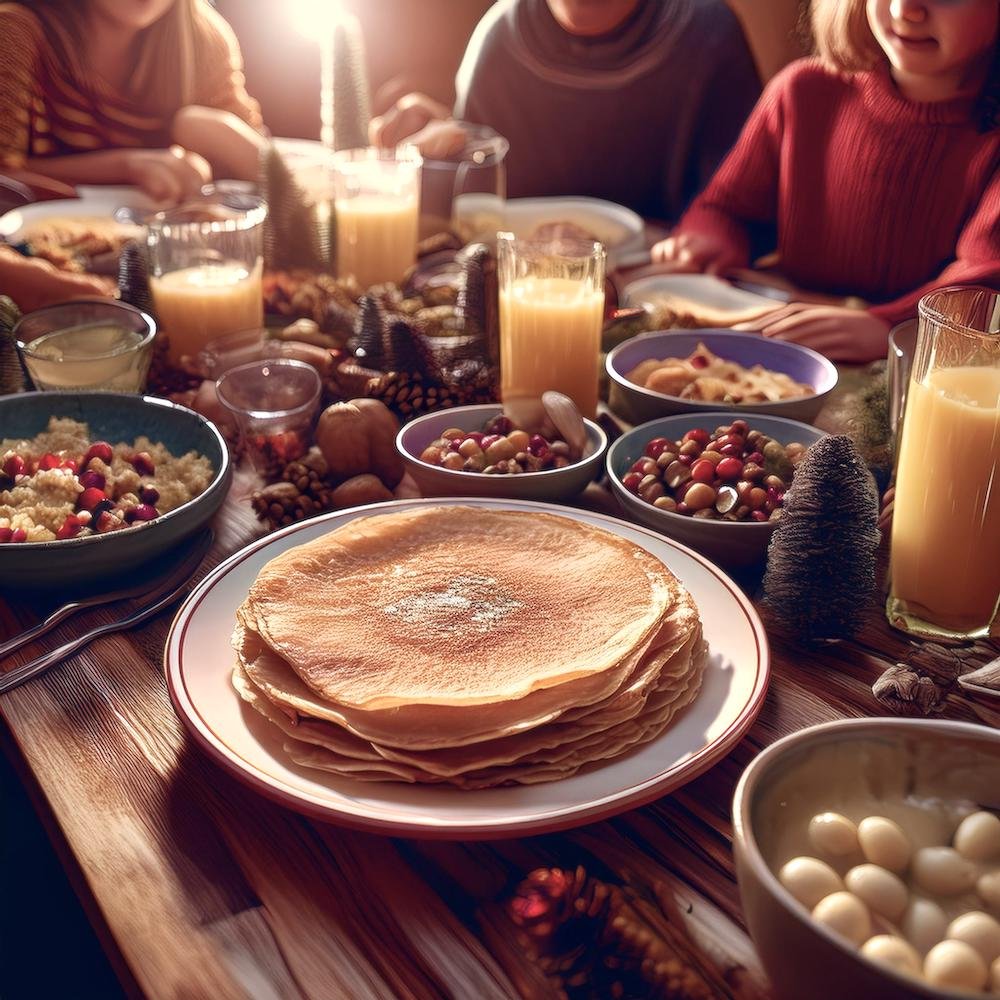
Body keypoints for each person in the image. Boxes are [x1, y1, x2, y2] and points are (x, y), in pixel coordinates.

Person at [653, 0, 1000, 362]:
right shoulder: (805, 90)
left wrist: (890, 326)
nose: (905, 10)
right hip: (788, 352)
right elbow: (728, 207)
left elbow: (986, 281)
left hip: (917, 375)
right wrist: (712, 236)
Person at [370, 0, 761, 222]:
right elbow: (474, 202)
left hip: (664, 294)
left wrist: (720, 229)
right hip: (522, 287)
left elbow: (749, 209)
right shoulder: (502, 36)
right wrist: (433, 146)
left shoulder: (709, 36)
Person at [0, 0, 267, 204]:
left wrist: (225, 137)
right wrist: (126, 167)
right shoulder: (13, 34)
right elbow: (4, 176)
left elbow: (260, 169)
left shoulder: (204, 39)